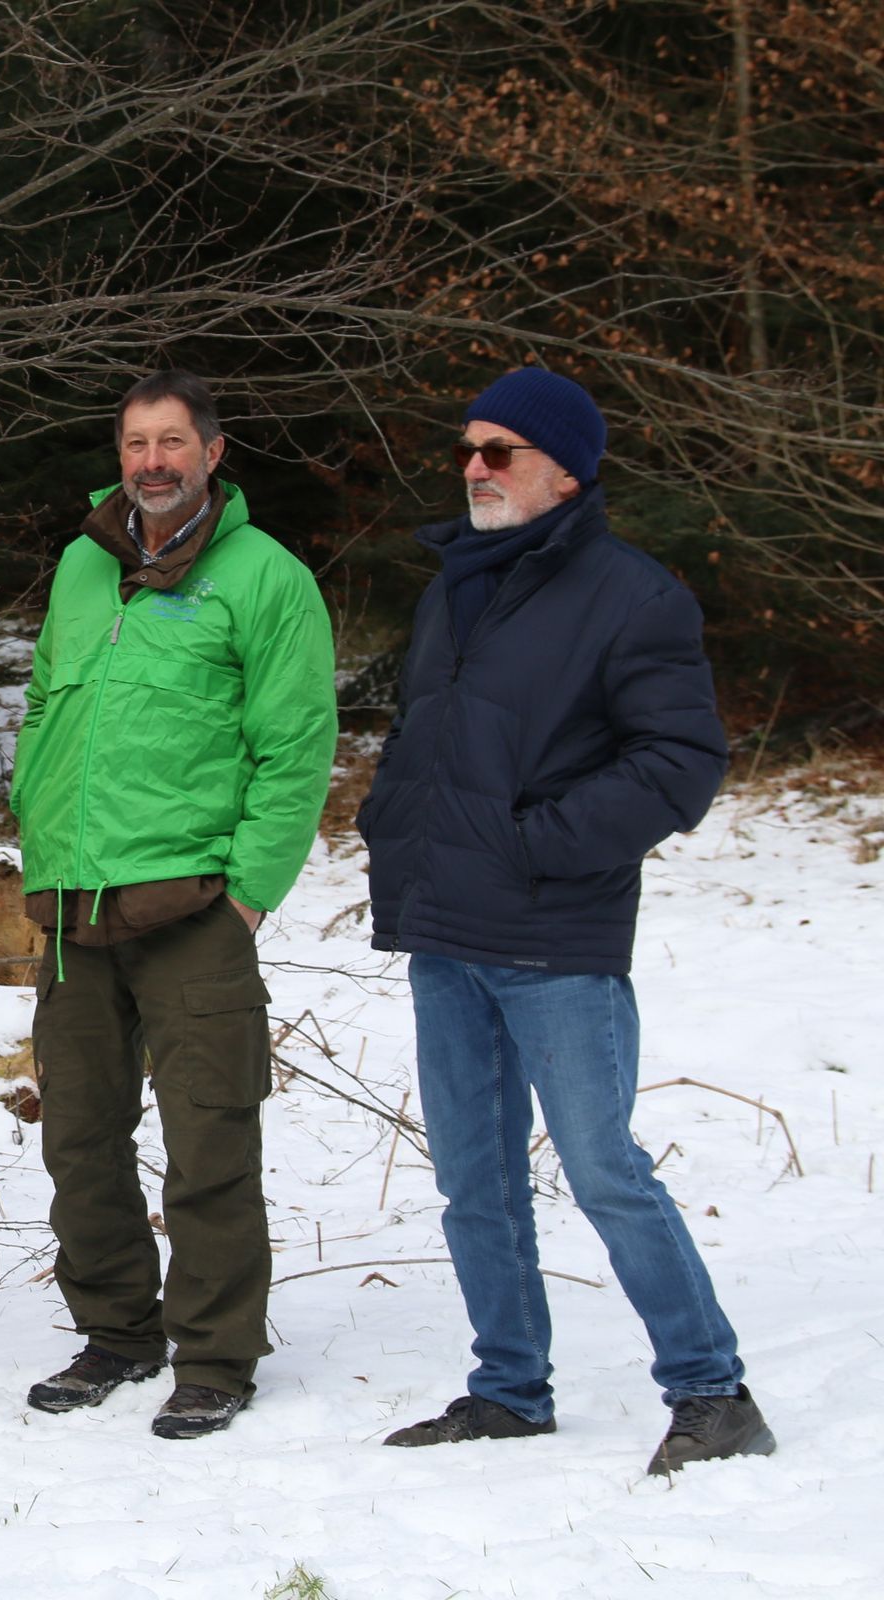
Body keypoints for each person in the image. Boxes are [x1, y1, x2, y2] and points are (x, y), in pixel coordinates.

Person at [358, 367, 772, 1476]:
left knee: (603, 1170)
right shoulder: (458, 581)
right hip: (446, 932)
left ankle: (712, 1392)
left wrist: (538, 844)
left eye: (500, 452)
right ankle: (509, 1389)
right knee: (472, 1182)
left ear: (566, 468)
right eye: (467, 450)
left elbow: (681, 764)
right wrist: (390, 821)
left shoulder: (636, 596)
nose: (477, 469)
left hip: (554, 941)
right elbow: (428, 738)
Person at [13, 371, 335, 1440]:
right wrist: (37, 846)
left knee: (209, 1139)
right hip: (75, 908)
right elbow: (53, 713)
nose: (151, 460)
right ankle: (116, 1331)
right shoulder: (81, 567)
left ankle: (216, 1353)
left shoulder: (266, 578)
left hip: (194, 903)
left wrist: (248, 895)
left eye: (171, 442)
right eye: (135, 443)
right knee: (81, 1141)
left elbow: (295, 750)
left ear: (212, 449)